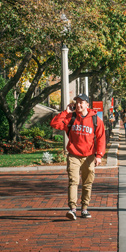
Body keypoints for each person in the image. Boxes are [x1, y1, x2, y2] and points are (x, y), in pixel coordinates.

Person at [50, 93, 106, 221]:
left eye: (82, 102)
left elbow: (101, 138)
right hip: (74, 155)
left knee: (87, 183)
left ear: (87, 104)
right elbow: (54, 124)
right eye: (77, 102)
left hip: (89, 157)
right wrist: (65, 112)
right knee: (73, 181)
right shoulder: (70, 117)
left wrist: (99, 155)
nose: (79, 105)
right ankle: (72, 209)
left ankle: (84, 208)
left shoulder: (95, 119)